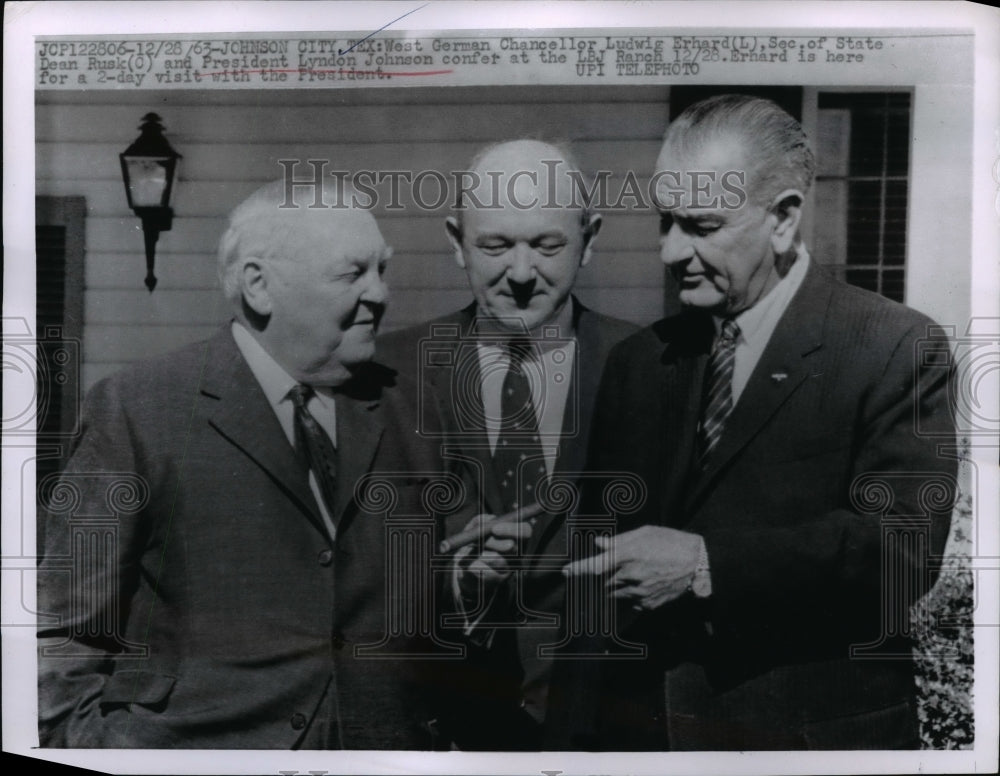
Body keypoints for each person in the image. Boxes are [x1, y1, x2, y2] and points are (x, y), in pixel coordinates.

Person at [559, 95, 957, 750]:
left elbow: (903, 549)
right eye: (665, 221)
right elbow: (599, 570)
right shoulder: (642, 360)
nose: (669, 250)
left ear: (782, 219)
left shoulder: (893, 347)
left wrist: (706, 564)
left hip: (804, 743)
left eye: (701, 225)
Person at [37, 179, 465, 749]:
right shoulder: (140, 408)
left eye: (381, 270)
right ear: (260, 286)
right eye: (352, 273)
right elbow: (65, 628)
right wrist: (96, 750)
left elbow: (431, 611)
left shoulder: (416, 409)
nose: (380, 294)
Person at [378, 139, 638, 749]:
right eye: (495, 245)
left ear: (590, 236)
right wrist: (452, 586)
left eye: (547, 245)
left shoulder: (647, 367)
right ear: (455, 239)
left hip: (603, 735)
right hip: (443, 731)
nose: (521, 275)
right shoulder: (391, 375)